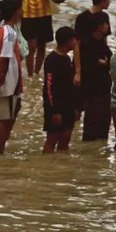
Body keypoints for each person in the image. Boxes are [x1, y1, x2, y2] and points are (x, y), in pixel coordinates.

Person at [0, 0, 24, 154]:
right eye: (20, 9)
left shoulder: (2, 29)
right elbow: (3, 59)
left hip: (10, 81)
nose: (22, 12)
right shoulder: (9, 33)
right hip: (9, 83)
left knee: (13, 111)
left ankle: (2, 146)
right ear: (15, 12)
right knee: (5, 118)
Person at [77, 0, 114, 143]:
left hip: (104, 89)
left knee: (104, 125)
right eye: (106, 24)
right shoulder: (86, 45)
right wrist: (103, 63)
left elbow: (109, 60)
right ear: (99, 26)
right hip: (93, 91)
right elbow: (93, 63)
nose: (107, 27)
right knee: (92, 126)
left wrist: (104, 63)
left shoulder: (101, 44)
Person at [42, 26, 79, 154]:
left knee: (65, 139)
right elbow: (49, 88)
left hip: (68, 105)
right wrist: (54, 111)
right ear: (67, 41)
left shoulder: (67, 58)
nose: (76, 42)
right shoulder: (52, 60)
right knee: (51, 140)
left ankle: (62, 164)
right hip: (56, 107)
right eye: (74, 39)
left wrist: (75, 107)